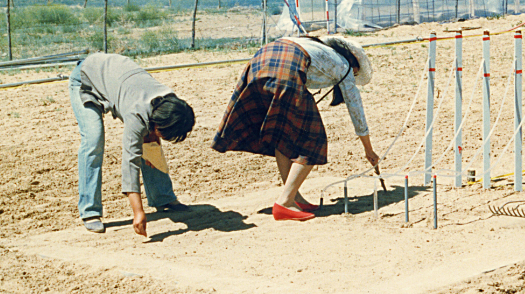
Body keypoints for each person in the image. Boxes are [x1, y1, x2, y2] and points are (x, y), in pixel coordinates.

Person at [212, 35, 380, 221]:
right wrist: (368, 149)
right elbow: (355, 108)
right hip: (285, 69)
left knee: (283, 132)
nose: (355, 75)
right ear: (352, 61)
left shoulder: (317, 49)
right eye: (357, 71)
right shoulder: (344, 66)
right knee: (314, 139)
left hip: (258, 63)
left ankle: (294, 198)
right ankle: (285, 201)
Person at [69, 53, 196, 236]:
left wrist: (152, 141)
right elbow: (130, 162)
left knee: (151, 143)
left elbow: (152, 133)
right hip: (85, 78)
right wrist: (138, 212)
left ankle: (163, 198)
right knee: (94, 139)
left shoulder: (171, 102)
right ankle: (90, 212)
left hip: (116, 77)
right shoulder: (137, 114)